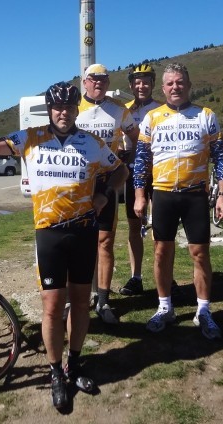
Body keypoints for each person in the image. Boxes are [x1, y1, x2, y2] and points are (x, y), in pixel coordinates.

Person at [0, 82, 126, 410]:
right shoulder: (31, 138)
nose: (64, 112)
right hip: (49, 234)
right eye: (57, 107)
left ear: (78, 109)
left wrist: (105, 194)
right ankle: (54, 372)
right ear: (50, 109)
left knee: (79, 304)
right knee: (51, 307)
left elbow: (120, 169)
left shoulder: (92, 143)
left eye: (69, 107)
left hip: (84, 232)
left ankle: (72, 366)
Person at [133, 63, 223, 339]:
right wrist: (140, 196)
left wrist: (222, 194)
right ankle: (165, 308)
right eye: (170, 83)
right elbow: (141, 162)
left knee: (199, 253)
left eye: (180, 82)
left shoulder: (205, 115)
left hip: (194, 194)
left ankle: (204, 311)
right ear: (163, 88)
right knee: (162, 253)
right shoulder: (151, 118)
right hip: (162, 194)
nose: (175, 87)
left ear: (188, 85)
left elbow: (221, 157)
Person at [76, 64, 138, 325]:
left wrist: (130, 155)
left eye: (102, 79)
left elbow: (136, 136)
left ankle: (102, 299)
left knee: (104, 243)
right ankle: (77, 299)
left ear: (107, 81)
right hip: (79, 185)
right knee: (77, 243)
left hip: (106, 183)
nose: (98, 83)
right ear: (84, 82)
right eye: (93, 79)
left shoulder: (118, 109)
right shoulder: (73, 109)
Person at [119, 63, 162, 297]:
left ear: (153, 84)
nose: (141, 85)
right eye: (137, 81)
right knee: (134, 227)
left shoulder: (162, 108)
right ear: (131, 85)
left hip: (158, 174)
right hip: (132, 173)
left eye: (146, 81)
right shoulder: (123, 110)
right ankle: (136, 277)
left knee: (160, 226)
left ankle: (165, 275)